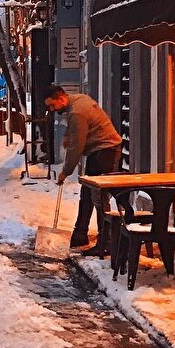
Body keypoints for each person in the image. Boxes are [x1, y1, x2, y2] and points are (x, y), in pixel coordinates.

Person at [44, 85, 122, 250]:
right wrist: (67, 136)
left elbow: (76, 147)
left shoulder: (77, 112)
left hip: (105, 151)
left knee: (98, 196)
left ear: (61, 98)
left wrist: (66, 171)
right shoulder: (77, 101)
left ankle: (105, 240)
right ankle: (80, 234)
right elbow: (75, 131)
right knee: (86, 193)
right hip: (99, 150)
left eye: (52, 105)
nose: (51, 109)